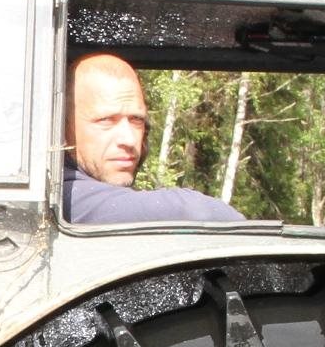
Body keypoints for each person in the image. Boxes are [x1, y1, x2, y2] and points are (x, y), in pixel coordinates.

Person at [61, 51, 244, 225]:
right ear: (63, 128)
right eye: (107, 120)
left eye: (136, 120)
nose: (130, 140)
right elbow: (195, 211)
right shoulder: (61, 197)